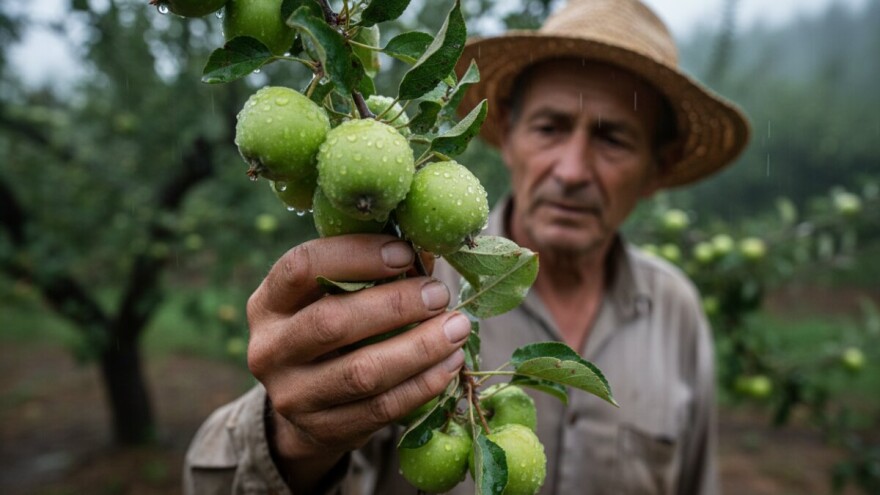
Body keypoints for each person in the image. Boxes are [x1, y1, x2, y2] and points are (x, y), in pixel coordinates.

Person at [183, 0, 750, 493]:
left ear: (656, 170)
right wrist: (292, 438)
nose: (572, 170)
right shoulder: (401, 287)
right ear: (509, 132)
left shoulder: (677, 310)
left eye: (613, 138)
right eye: (550, 127)